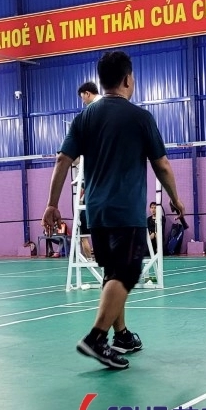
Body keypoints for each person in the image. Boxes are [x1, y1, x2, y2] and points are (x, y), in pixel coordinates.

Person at [44, 50, 185, 370]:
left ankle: (121, 335)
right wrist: (176, 199)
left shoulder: (84, 118)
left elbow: (62, 160)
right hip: (125, 211)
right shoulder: (140, 118)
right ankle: (96, 338)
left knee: (112, 273)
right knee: (127, 272)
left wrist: (52, 203)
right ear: (127, 79)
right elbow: (162, 164)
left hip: (96, 212)